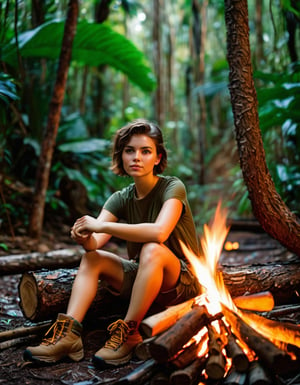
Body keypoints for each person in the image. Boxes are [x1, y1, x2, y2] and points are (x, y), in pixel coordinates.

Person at [24, 119, 201, 368]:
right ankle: (69, 335)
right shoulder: (121, 198)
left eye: (145, 151)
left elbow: (159, 233)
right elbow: (95, 243)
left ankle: (129, 333)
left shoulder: (172, 187)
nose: (136, 157)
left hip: (183, 282)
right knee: (91, 258)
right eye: (129, 150)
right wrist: (84, 237)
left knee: (152, 248)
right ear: (121, 156)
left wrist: (101, 225)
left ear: (158, 158)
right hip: (145, 277)